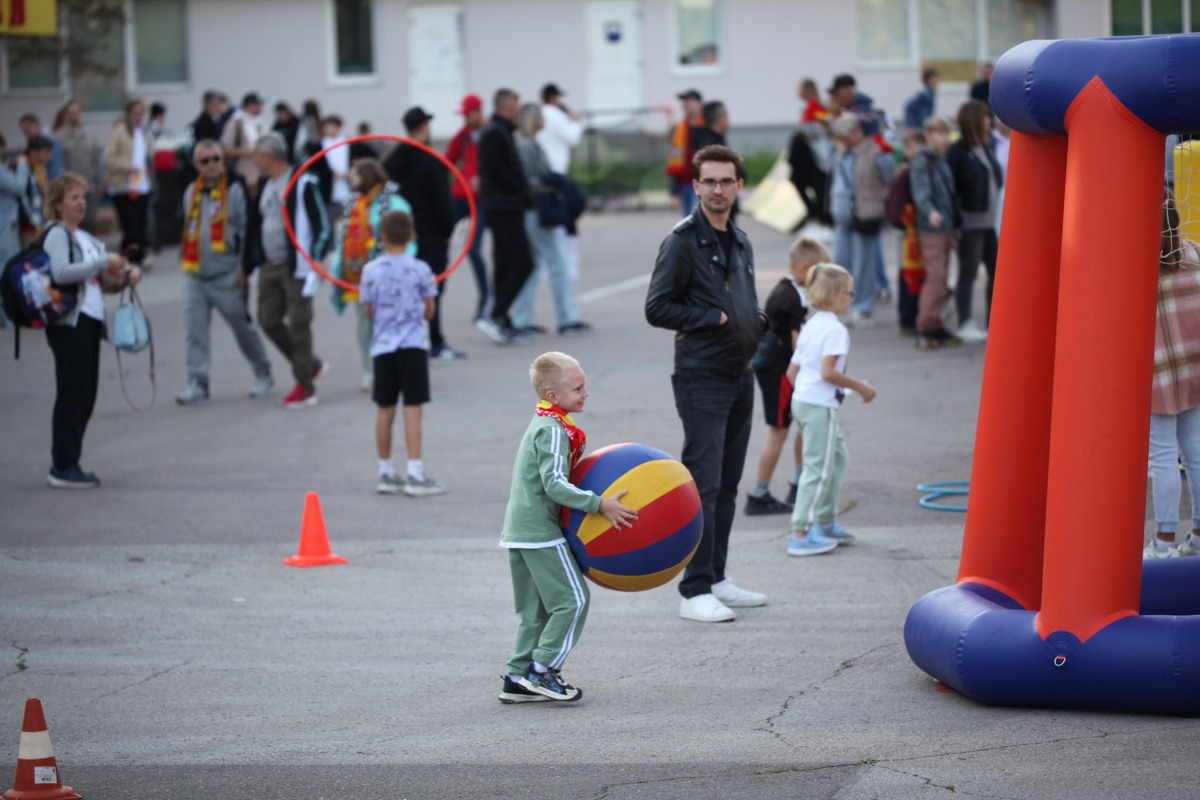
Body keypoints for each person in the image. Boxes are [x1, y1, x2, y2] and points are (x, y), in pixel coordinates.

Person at [645, 144, 769, 623]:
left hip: (741, 373)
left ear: (739, 186)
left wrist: (754, 320)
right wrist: (713, 317)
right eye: (709, 182)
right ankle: (693, 589)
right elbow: (657, 308)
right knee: (703, 483)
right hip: (702, 376)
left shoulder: (740, 240)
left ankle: (716, 576)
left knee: (729, 483)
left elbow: (744, 298)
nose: (718, 190)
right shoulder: (681, 241)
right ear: (694, 186)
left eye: (726, 181)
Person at [498, 351, 638, 703]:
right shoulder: (553, 431)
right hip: (540, 532)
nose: (585, 393)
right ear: (552, 397)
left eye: (584, 385)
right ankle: (542, 671)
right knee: (573, 600)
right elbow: (555, 485)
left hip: (519, 530)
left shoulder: (543, 422)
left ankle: (517, 677)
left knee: (535, 612)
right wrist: (599, 504)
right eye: (577, 388)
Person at [41, 173, 141, 488]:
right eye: (73, 198)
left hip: (90, 321)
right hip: (70, 323)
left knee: (85, 393)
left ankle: (70, 461)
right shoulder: (57, 233)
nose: (81, 203)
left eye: (83, 196)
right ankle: (63, 465)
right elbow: (60, 272)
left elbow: (98, 283)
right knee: (72, 393)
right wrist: (102, 262)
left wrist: (124, 277)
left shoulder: (86, 238)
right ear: (57, 206)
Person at [785, 263, 876, 555]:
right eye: (849, 293)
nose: (852, 298)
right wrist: (860, 386)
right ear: (835, 295)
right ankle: (800, 531)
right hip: (818, 406)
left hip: (804, 402)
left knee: (836, 459)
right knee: (819, 469)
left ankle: (824, 521)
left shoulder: (811, 324)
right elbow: (827, 372)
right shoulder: (835, 330)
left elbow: (791, 372)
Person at [175, 139, 274, 406]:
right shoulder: (190, 192)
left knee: (242, 326)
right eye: (205, 160)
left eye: (216, 159)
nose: (212, 165)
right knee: (195, 330)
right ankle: (198, 382)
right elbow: (187, 229)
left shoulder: (235, 189)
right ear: (196, 164)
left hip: (227, 274)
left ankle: (263, 371)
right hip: (195, 275)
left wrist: (243, 267)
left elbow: (245, 229)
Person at [359, 210, 446, 497]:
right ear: (412, 236)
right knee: (413, 409)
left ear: (381, 238)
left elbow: (369, 311)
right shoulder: (421, 269)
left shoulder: (370, 271)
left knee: (384, 409)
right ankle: (415, 473)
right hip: (412, 346)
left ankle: (385, 472)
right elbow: (429, 312)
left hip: (383, 347)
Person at [244, 132, 332, 409]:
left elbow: (323, 224)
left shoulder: (303, 181)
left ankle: (305, 387)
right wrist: (249, 262)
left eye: (256, 155)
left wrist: (316, 257)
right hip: (270, 264)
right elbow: (256, 224)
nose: (253, 159)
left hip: (298, 266)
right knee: (268, 320)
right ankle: (310, 364)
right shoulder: (263, 183)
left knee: (299, 323)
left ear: (269, 157)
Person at [746, 236, 830, 516]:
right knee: (779, 431)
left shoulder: (790, 289)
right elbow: (798, 345)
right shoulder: (791, 296)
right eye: (821, 270)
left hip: (783, 370)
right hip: (778, 372)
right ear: (806, 267)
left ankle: (799, 484)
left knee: (801, 426)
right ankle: (759, 493)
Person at [384, 106, 464, 360]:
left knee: (403, 289)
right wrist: (448, 229)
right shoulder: (431, 160)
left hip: (400, 236)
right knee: (432, 289)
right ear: (425, 127)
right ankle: (435, 341)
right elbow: (443, 200)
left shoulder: (392, 161)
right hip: (430, 235)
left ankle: (407, 339)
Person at [1146, 190, 1200, 558]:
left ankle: (1164, 541)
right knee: (1196, 452)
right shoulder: (1194, 256)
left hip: (1158, 375)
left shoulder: (1133, 268)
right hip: (1195, 367)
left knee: (1163, 456)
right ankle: (1196, 536)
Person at [331, 157, 416, 391]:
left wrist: (403, 270)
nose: (350, 177)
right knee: (365, 326)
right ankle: (370, 373)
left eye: (355, 174)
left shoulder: (395, 202)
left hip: (391, 278)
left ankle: (399, 371)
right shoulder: (351, 204)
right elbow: (342, 240)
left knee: (397, 324)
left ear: (366, 176)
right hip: (360, 278)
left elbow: (408, 238)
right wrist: (337, 269)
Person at [511, 103, 590, 338]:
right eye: (541, 118)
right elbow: (527, 181)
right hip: (535, 210)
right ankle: (567, 318)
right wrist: (551, 181)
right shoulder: (527, 145)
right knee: (557, 263)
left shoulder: (529, 143)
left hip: (533, 210)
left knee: (533, 266)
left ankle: (522, 318)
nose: (545, 121)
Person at [476, 87, 536, 345]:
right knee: (522, 262)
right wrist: (524, 192)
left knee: (504, 262)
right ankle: (496, 312)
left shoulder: (502, 131)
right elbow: (499, 173)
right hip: (503, 207)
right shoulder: (494, 133)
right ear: (505, 105)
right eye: (515, 104)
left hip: (508, 206)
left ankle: (501, 317)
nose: (518, 109)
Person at [827, 113, 894, 328]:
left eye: (845, 135)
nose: (842, 140)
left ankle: (863, 308)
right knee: (841, 261)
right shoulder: (841, 152)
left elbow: (889, 179)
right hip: (842, 216)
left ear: (857, 132)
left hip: (866, 215)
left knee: (864, 263)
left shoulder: (875, 151)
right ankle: (842, 304)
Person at [946, 100, 1002, 344]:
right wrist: (956, 223)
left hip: (990, 223)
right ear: (974, 120)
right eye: (985, 117)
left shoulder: (987, 147)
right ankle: (965, 322)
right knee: (968, 273)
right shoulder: (958, 152)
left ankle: (994, 321)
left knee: (996, 273)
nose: (989, 120)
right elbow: (951, 190)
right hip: (969, 223)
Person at [909, 116, 962, 351]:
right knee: (936, 277)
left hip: (946, 227)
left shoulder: (940, 160)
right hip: (932, 228)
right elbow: (920, 192)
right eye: (940, 134)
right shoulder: (922, 161)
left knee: (942, 280)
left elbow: (949, 194)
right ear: (928, 135)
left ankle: (936, 323)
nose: (944, 139)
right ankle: (924, 326)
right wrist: (930, 212)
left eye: (946, 134)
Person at [446, 93, 490, 321]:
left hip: (480, 202)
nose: (465, 119)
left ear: (477, 112)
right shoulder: (462, 136)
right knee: (439, 237)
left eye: (467, 114)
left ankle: (486, 298)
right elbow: (446, 162)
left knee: (473, 250)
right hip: (459, 197)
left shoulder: (490, 134)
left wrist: (484, 179)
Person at [537, 83, 585, 280]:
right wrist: (575, 122)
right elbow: (572, 138)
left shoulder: (541, 114)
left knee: (549, 220)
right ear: (554, 98)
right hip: (557, 172)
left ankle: (549, 263)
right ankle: (567, 263)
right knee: (565, 219)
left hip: (542, 171)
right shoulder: (556, 115)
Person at [104, 98, 152, 269]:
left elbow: (148, 156)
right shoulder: (119, 132)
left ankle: (133, 253)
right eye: (137, 112)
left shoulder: (143, 132)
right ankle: (135, 257)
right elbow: (109, 158)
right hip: (123, 186)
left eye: (142, 112)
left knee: (140, 223)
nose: (140, 116)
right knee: (130, 224)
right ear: (129, 113)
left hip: (142, 185)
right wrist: (128, 167)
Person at [894, 129, 927, 333]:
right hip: (909, 231)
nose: (909, 151)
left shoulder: (911, 168)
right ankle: (908, 317)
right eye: (906, 147)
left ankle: (910, 316)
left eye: (912, 146)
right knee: (909, 274)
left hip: (911, 231)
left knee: (912, 273)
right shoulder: (907, 171)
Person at [53, 100, 103, 233]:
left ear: (81, 113)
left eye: (76, 111)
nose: (74, 115)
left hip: (89, 186)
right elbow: (57, 164)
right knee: (72, 223)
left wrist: (100, 183)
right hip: (68, 189)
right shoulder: (59, 137)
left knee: (91, 221)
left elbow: (96, 161)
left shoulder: (90, 135)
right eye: (70, 112)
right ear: (66, 115)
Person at [664, 89, 704, 216]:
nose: (685, 104)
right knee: (688, 220)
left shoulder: (706, 127)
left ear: (699, 103)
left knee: (696, 217)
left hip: (701, 182)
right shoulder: (678, 129)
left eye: (689, 100)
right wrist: (673, 191)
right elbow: (673, 158)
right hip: (683, 184)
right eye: (683, 101)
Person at [221, 92, 268, 188]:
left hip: (262, 174)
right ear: (249, 106)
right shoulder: (235, 123)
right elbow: (226, 147)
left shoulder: (260, 122)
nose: (260, 107)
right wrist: (250, 152)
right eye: (257, 104)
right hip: (245, 173)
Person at [19, 135, 53, 245]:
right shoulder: (24, 169)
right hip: (29, 224)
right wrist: (34, 220)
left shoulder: (41, 169)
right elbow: (24, 197)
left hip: (41, 222)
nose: (49, 157)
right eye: (45, 153)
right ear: (33, 153)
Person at [18, 113, 63, 179]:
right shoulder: (29, 143)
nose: (26, 133)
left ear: (36, 124)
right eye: (24, 131)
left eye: (27, 128)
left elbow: (56, 166)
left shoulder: (51, 141)